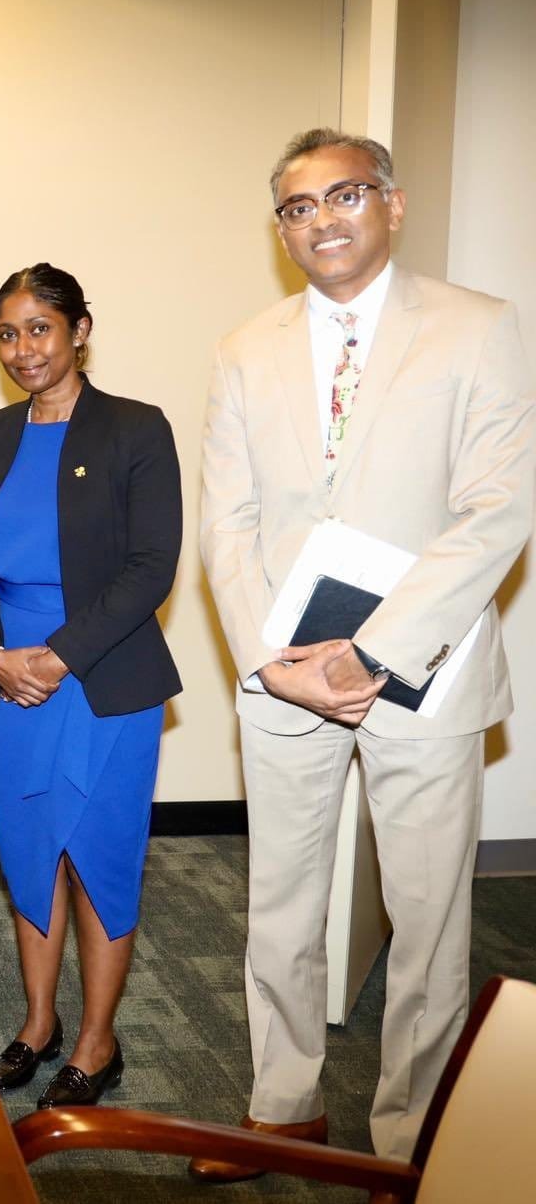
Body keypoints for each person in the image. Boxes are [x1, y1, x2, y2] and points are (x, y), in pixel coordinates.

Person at [196, 128, 534, 1174]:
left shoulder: (479, 326)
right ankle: (282, 1105)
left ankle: (413, 1142)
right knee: (280, 902)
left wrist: (374, 653)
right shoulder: (244, 347)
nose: (322, 220)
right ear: (281, 230)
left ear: (391, 203)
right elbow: (227, 523)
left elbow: (496, 509)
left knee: (428, 920)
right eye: (298, 207)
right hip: (285, 676)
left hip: (426, 671)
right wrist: (269, 658)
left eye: (344, 195)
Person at [0, 263, 182, 1107]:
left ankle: (97, 1040)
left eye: (40, 329)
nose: (24, 349)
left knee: (96, 855)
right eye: (8, 334)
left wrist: (55, 656)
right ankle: (38, 1023)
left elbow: (151, 565)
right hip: (13, 683)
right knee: (28, 850)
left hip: (101, 678)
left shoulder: (135, 428)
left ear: (80, 330)